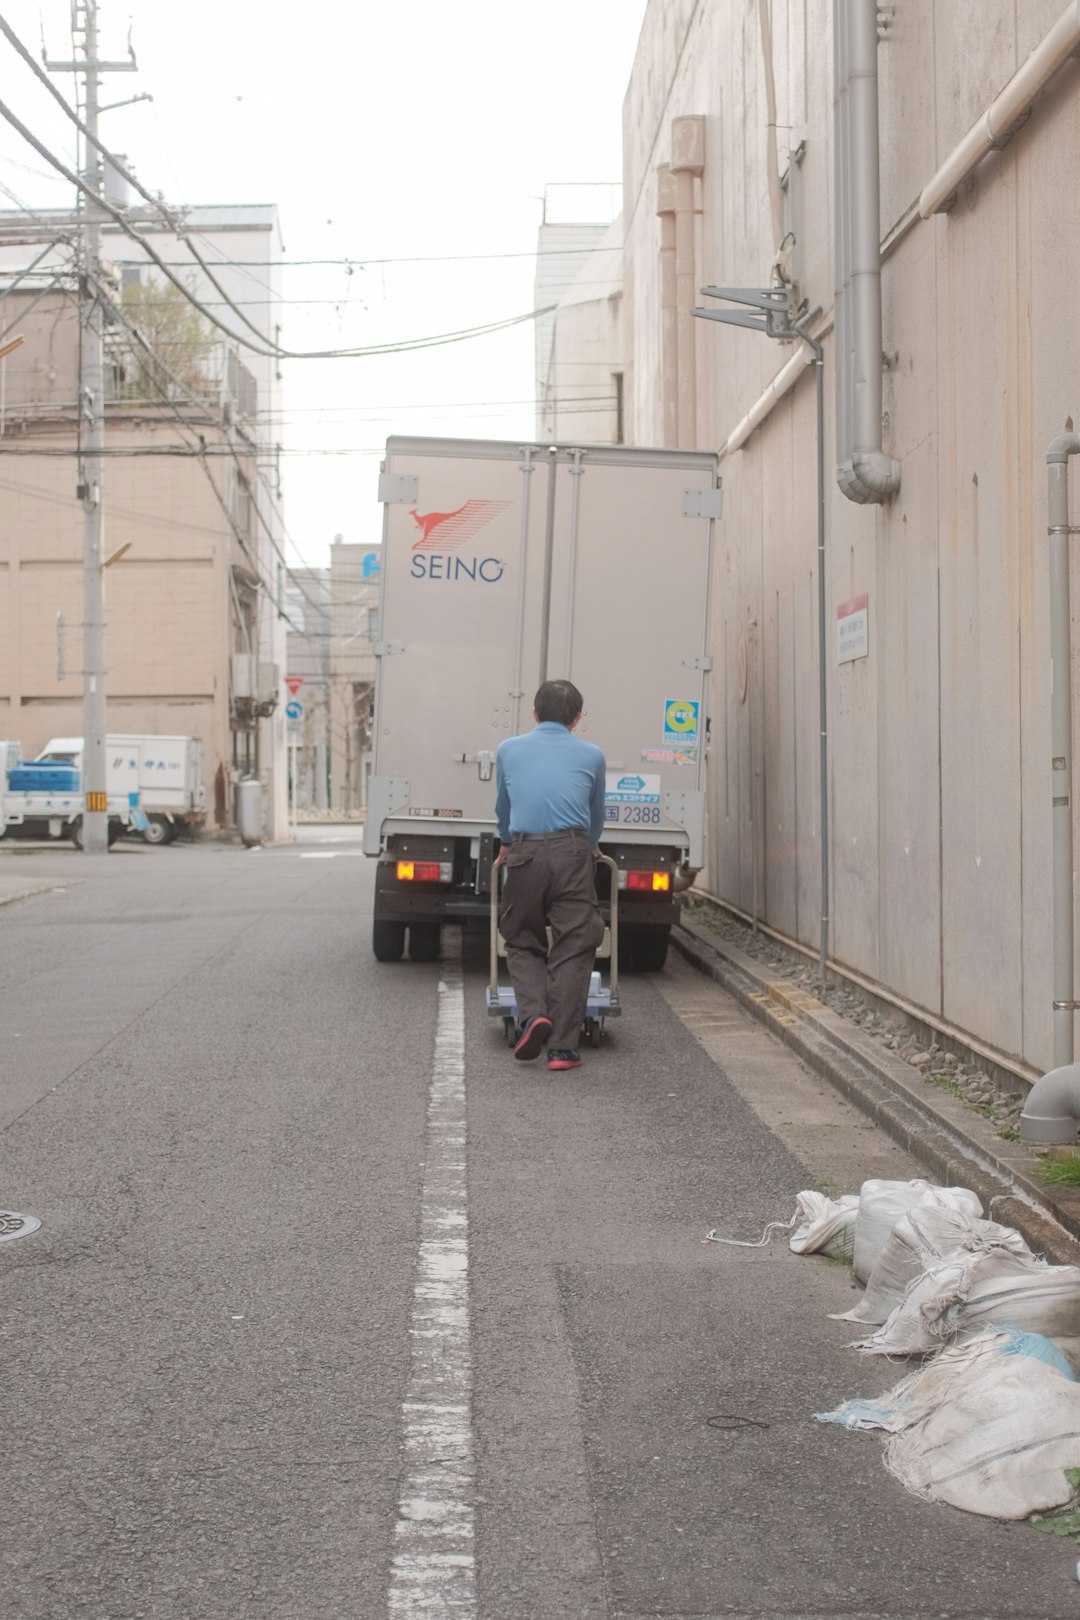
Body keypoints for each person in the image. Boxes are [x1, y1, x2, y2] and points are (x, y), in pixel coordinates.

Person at [492, 679, 606, 1072]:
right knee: (574, 943)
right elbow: (596, 815)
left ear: (535, 713)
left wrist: (507, 844)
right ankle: (562, 1049)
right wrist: (590, 845)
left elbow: (503, 809)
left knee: (522, 938)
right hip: (574, 852)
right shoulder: (593, 755)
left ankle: (533, 1015)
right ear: (576, 719)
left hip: (524, 852)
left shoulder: (508, 750)